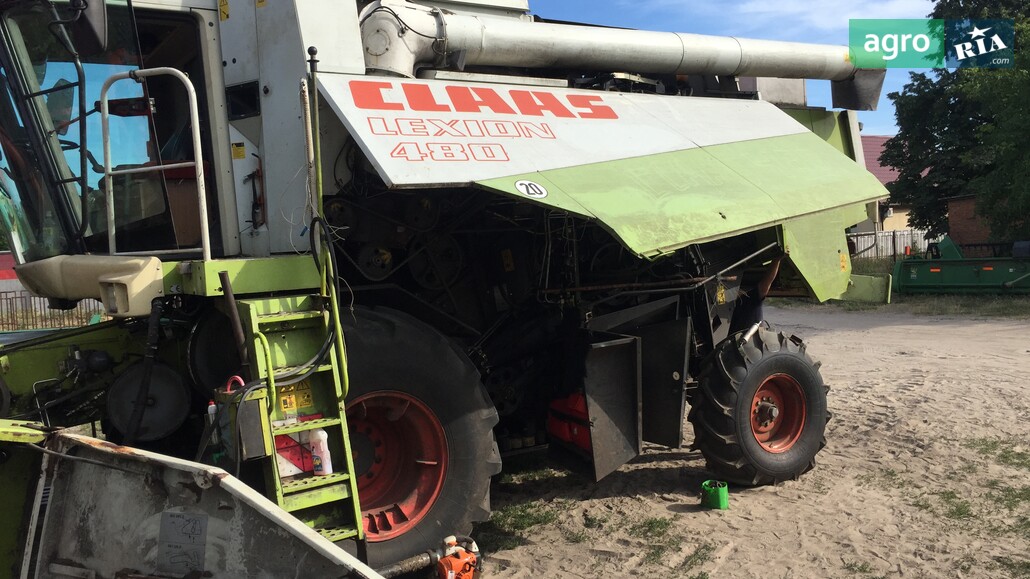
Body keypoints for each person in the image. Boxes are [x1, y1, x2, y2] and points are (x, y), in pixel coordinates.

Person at [728, 254, 784, 335]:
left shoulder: (751, 298)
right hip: (732, 340)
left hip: (752, 339)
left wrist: (777, 259)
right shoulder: (724, 300)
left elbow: (767, 282)